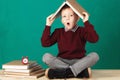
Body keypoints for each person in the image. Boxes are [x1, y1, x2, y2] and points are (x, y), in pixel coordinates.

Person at [41, 5, 99, 79]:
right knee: (46, 57)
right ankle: (77, 72)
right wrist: (48, 25)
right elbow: (45, 43)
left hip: (79, 61)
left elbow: (94, 39)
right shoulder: (58, 32)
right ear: (62, 20)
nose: (67, 18)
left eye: (71, 15)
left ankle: (63, 73)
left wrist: (86, 22)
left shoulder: (82, 31)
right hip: (62, 62)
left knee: (95, 56)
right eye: (64, 16)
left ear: (77, 18)